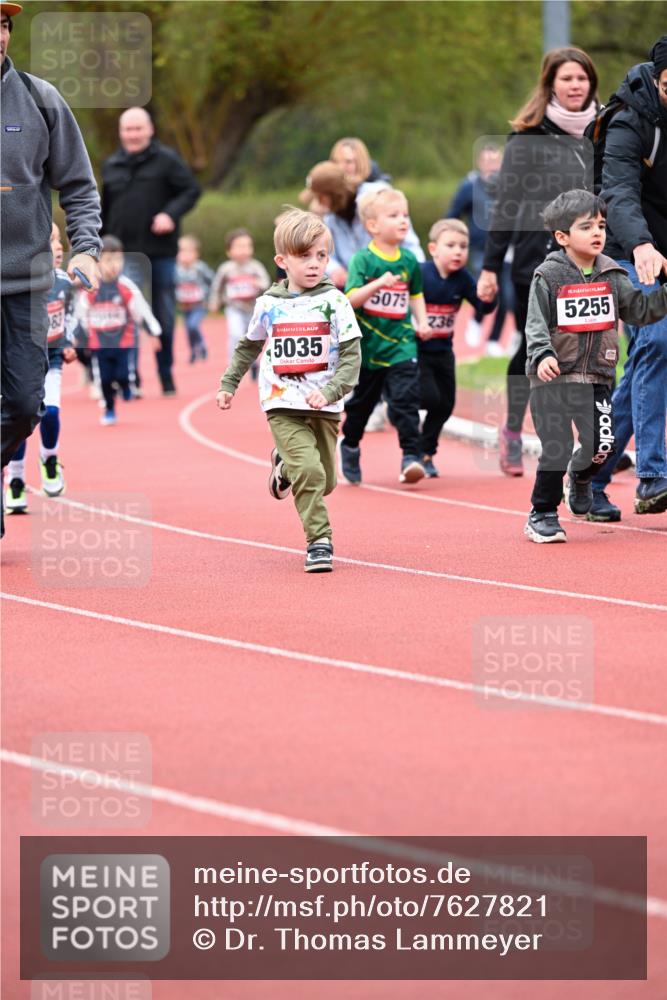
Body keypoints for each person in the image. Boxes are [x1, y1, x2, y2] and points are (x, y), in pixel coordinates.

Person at [0, 2, 101, 534]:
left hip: (28, 280)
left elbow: (80, 187)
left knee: (23, 403)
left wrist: (85, 247)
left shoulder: (42, 99)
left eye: (2, 25)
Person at [216, 209, 362, 574]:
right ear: (282, 261)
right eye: (303, 256)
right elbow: (248, 345)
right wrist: (229, 383)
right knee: (310, 474)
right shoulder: (269, 304)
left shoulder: (336, 302)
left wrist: (330, 391)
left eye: (321, 256)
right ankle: (319, 542)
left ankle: (283, 466)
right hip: (282, 403)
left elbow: (351, 356)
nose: (314, 264)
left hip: (325, 403)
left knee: (325, 480)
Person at [477, 47, 599, 476]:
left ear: (591, 84)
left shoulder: (605, 130)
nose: (575, 86)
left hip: (590, 260)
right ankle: (511, 429)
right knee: (536, 347)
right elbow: (506, 204)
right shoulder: (527, 138)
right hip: (536, 261)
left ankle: (595, 439)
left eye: (581, 79)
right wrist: (490, 266)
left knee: (590, 349)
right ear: (551, 84)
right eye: (566, 79)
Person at [523, 190, 667, 544]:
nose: (597, 232)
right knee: (555, 448)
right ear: (562, 237)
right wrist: (542, 354)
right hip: (553, 379)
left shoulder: (612, 274)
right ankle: (541, 514)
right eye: (586, 227)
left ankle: (582, 476)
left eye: (601, 225)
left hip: (596, 378)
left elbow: (639, 311)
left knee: (602, 445)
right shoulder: (549, 276)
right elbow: (535, 323)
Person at [587, 35, 667, 521]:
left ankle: (590, 474)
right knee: (656, 344)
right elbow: (616, 192)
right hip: (631, 249)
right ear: (657, 81)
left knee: (643, 366)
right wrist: (641, 245)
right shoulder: (628, 120)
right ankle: (654, 476)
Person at [101, 107, 201, 395]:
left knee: (163, 314)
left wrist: (170, 214)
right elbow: (104, 209)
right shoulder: (112, 165)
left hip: (161, 253)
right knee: (127, 315)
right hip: (124, 256)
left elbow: (191, 191)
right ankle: (130, 379)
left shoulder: (168, 161)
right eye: (127, 130)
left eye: (138, 129)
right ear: (121, 133)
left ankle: (165, 374)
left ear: (149, 130)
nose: (132, 135)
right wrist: (100, 245)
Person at [339, 187, 430, 485]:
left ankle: (411, 457)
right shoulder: (362, 261)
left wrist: (423, 321)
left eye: (405, 215)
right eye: (394, 216)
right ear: (373, 226)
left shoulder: (408, 261)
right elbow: (350, 299)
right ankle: (350, 445)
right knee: (361, 407)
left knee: (405, 401)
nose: (403, 221)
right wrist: (378, 284)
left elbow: (415, 294)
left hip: (402, 344)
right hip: (368, 349)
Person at [4, 224, 78, 513]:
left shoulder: (63, 282)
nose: (57, 247)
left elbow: (73, 313)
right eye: (49, 241)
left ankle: (49, 458)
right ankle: (16, 478)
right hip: (19, 359)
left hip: (53, 356)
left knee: (52, 411)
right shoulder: (18, 284)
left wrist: (71, 340)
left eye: (58, 241)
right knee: (18, 419)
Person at [419, 219, 496, 477]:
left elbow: (482, 308)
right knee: (429, 397)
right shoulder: (420, 274)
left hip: (443, 351)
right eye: (450, 245)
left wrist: (489, 296)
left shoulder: (462, 278)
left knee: (445, 404)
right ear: (433, 248)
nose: (458, 251)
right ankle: (399, 410)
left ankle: (426, 453)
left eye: (463, 246)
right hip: (417, 350)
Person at [76, 236, 161, 426]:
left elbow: (142, 311)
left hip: (123, 342)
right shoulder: (91, 288)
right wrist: (78, 337)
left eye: (118, 260)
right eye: (108, 261)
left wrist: (153, 332)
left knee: (123, 374)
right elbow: (79, 315)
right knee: (103, 380)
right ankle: (109, 410)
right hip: (99, 344)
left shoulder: (126, 287)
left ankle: (126, 386)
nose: (113, 265)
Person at [302, 161, 424, 289]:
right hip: (357, 287)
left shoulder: (375, 197)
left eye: (321, 197)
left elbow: (409, 242)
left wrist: (419, 274)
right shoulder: (330, 217)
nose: (318, 203)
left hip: (393, 280)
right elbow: (326, 253)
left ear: (335, 194)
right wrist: (335, 270)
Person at [447, 144, 514, 354]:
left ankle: (494, 340)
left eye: (496, 162)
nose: (492, 166)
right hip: (479, 250)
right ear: (480, 163)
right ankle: (476, 319)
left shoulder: (510, 187)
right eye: (488, 161)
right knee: (484, 289)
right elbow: (452, 214)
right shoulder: (469, 186)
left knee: (505, 295)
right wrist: (455, 239)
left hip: (505, 249)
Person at [209, 228, 271, 376]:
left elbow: (266, 282)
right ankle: (233, 364)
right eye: (239, 246)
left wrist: (258, 284)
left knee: (253, 337)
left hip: (253, 310)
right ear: (229, 251)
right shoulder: (226, 269)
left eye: (247, 246)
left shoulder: (255, 267)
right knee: (235, 334)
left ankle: (254, 362)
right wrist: (214, 302)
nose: (244, 250)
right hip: (234, 308)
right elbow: (217, 287)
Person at [175, 235, 214, 363]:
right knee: (188, 330)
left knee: (193, 326)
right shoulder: (175, 269)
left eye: (188, 251)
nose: (184, 255)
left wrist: (209, 297)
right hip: (184, 306)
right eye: (181, 251)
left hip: (199, 305)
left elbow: (213, 280)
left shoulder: (200, 267)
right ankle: (193, 350)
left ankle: (202, 345)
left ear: (196, 254)